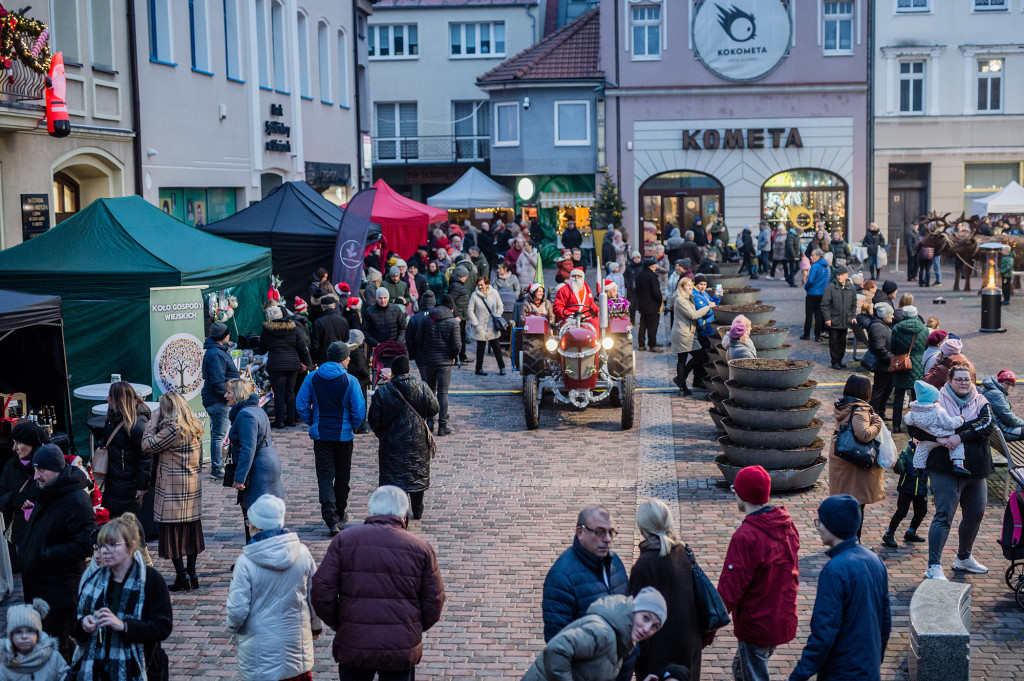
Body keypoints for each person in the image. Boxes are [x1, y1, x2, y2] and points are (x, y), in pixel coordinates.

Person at [311, 485, 445, 681]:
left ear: (371, 509)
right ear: (404, 513)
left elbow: (321, 591)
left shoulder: (344, 541)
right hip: (400, 644)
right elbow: (434, 601)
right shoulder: (421, 548)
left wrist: (341, 622)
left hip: (354, 641)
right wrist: (412, 627)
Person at [788, 496, 891, 681]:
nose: (818, 527)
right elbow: (885, 621)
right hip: (868, 669)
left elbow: (824, 633)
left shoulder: (834, 570)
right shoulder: (875, 561)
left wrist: (797, 676)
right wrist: (875, 661)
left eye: (820, 521)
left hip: (842, 671)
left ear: (833, 525)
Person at [908, 364, 995, 580]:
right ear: (950, 381)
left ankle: (963, 558)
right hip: (944, 468)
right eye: (959, 379)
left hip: (976, 469)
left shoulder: (981, 401)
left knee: (975, 514)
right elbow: (915, 428)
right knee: (944, 515)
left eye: (967, 379)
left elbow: (987, 426)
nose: (964, 383)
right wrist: (939, 437)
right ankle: (933, 566)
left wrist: (958, 435)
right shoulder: (936, 400)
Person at [225, 494, 321, 681]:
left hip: (259, 654)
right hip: (296, 646)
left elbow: (237, 611)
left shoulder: (245, 562)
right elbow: (315, 597)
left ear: (254, 525)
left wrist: (232, 627)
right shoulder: (302, 553)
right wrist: (316, 627)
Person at [718, 466, 800, 681]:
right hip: (780, 616)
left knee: (753, 673)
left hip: (756, 622)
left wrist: (713, 615)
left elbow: (731, 585)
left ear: (741, 495)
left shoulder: (745, 536)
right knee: (741, 668)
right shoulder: (786, 526)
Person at [17, 445, 94, 662]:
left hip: (60, 590)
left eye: (41, 470)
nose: (36, 476)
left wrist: (46, 554)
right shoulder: (48, 492)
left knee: (57, 646)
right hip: (40, 586)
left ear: (57, 469)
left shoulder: (77, 501)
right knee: (48, 642)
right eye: (35, 469)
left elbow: (85, 545)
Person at [73, 514, 173, 681]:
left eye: (113, 545)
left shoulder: (150, 580)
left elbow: (163, 627)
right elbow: (75, 624)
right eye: (102, 545)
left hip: (140, 667)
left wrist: (123, 626)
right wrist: (83, 624)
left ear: (130, 546)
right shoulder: (94, 580)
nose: (105, 551)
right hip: (97, 669)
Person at [297, 341, 366, 536]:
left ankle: (331, 519)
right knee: (343, 476)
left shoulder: (312, 377)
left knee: (325, 477)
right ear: (343, 359)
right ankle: (340, 512)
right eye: (348, 356)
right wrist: (353, 425)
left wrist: (312, 421)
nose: (350, 359)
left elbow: (301, 404)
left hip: (321, 434)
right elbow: (359, 409)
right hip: (343, 435)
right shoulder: (350, 380)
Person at [629, 500, 702, 680]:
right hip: (689, 644)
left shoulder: (644, 565)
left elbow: (636, 616)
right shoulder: (683, 551)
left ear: (642, 530)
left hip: (657, 653)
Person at [523, 590, 665, 681]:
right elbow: (556, 649)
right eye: (645, 618)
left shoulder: (621, 642)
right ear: (633, 610)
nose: (646, 629)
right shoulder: (602, 632)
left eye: (655, 627)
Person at [141, 392, 205, 592]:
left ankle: (181, 576)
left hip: (172, 486)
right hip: (191, 484)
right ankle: (192, 574)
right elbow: (201, 458)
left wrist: (152, 422)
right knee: (191, 531)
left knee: (173, 533)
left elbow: (147, 445)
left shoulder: (173, 429)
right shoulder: (194, 425)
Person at [542, 505, 628, 642]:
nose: (608, 539)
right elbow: (558, 643)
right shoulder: (561, 577)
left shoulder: (615, 562)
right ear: (580, 532)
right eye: (599, 532)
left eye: (611, 532)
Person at [368, 357, 439, 520]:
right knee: (416, 473)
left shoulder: (383, 391)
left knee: (395, 477)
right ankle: (418, 508)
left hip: (391, 440)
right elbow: (434, 408)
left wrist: (382, 434)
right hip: (417, 439)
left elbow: (374, 419)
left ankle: (401, 513)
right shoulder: (421, 386)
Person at [226, 378, 285, 542]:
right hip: (266, 465)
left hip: (259, 470)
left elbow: (248, 449)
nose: (225, 395)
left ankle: (257, 550)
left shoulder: (245, 415)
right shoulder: (256, 410)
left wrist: (239, 478)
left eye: (228, 392)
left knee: (255, 516)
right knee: (264, 514)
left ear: (237, 394)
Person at [829, 375, 885, 539]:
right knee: (856, 506)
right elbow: (864, 434)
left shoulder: (844, 405)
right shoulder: (860, 409)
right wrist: (877, 424)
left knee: (846, 504)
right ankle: (853, 543)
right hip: (855, 463)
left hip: (842, 459)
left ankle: (843, 541)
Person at [409, 294, 460, 435]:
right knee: (443, 393)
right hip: (445, 362)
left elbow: (418, 340)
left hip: (429, 361)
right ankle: (442, 426)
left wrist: (424, 354)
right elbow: (457, 345)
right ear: (451, 308)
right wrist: (453, 357)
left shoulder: (427, 319)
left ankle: (430, 421)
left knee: (430, 391)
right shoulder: (453, 322)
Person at [100, 382, 152, 519]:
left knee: (126, 525)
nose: (107, 399)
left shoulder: (137, 425)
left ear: (119, 399)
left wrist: (142, 486)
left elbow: (145, 459)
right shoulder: (112, 418)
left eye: (110, 396)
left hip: (128, 487)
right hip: (114, 483)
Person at [0, 422, 45, 571]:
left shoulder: (49, 466)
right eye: (14, 443)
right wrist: (13, 498)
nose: (14, 448)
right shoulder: (10, 466)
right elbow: (1, 497)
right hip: (18, 538)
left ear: (32, 444)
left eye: (18, 443)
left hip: (43, 537)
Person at [259, 305, 313, 429]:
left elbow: (262, 349)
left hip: (276, 365)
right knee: (290, 392)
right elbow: (302, 347)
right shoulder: (294, 328)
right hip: (292, 364)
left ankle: (279, 421)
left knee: (278, 393)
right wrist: (307, 363)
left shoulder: (268, 330)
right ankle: (291, 420)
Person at [904, 380, 969, 475]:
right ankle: (958, 464)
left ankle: (918, 468)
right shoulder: (938, 411)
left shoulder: (913, 412)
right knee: (957, 445)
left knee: (921, 448)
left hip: (929, 439)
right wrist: (960, 418)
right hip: (945, 436)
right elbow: (950, 424)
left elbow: (908, 420)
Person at [202, 321, 238, 480]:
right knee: (219, 435)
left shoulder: (217, 351)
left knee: (219, 434)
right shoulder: (215, 354)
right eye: (227, 334)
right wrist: (227, 395)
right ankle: (217, 469)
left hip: (218, 399)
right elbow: (218, 381)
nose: (229, 336)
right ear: (223, 336)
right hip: (218, 400)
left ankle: (219, 467)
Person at [0, 598, 69, 681]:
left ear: (38, 633)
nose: (24, 636)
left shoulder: (53, 658)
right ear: (11, 636)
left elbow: (66, 676)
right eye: (18, 632)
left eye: (30, 631)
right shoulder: (5, 666)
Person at [882, 441, 930, 549]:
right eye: (917, 439)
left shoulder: (927, 453)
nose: (919, 441)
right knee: (901, 512)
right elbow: (899, 470)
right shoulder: (906, 453)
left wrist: (933, 492)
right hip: (906, 489)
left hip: (921, 490)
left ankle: (911, 532)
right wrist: (897, 462)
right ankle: (889, 533)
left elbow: (931, 472)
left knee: (921, 512)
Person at [888, 307, 928, 433]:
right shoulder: (924, 329)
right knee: (916, 398)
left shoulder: (897, 329)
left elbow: (892, 347)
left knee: (898, 397)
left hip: (902, 364)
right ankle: (916, 425)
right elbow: (926, 346)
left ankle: (896, 425)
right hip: (918, 365)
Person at [671, 278, 710, 396]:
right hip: (683, 333)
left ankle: (681, 381)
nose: (690, 287)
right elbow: (693, 315)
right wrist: (708, 307)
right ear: (682, 287)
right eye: (687, 285)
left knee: (693, 357)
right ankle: (682, 384)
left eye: (691, 285)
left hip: (687, 332)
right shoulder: (680, 300)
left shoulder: (687, 297)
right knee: (690, 357)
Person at [467, 275, 507, 376]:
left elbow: (500, 306)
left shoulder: (494, 293)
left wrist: (497, 316)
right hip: (480, 326)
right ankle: (478, 368)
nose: (480, 287)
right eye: (478, 285)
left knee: (496, 347)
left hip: (492, 325)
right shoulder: (474, 295)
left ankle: (502, 367)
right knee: (480, 348)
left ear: (487, 284)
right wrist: (475, 323)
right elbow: (470, 310)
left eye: (482, 285)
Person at [821, 265, 857, 369]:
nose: (839, 277)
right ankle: (835, 361)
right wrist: (827, 318)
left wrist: (853, 316)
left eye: (841, 275)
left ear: (846, 276)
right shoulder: (830, 288)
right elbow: (824, 305)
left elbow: (853, 304)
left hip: (845, 320)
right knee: (834, 342)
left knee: (842, 342)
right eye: (838, 275)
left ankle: (839, 360)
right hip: (834, 320)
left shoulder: (851, 288)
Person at [867, 303, 895, 420]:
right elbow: (879, 348)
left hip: (886, 365)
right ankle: (873, 415)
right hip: (882, 365)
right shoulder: (877, 327)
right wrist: (890, 359)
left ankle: (881, 414)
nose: (893, 316)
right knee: (879, 392)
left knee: (886, 391)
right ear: (885, 315)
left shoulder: (882, 325)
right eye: (891, 314)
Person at [981, 370, 1024, 440]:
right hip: (1002, 431)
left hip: (998, 429)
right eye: (1007, 383)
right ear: (1000, 381)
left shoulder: (991, 389)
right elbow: (1009, 418)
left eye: (1011, 385)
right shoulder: (995, 394)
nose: (1009, 387)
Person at [635, 259, 664, 351]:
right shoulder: (652, 277)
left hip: (642, 305)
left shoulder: (640, 275)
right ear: (651, 267)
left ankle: (641, 345)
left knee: (643, 325)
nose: (656, 267)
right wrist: (660, 300)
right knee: (652, 326)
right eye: (655, 266)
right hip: (652, 305)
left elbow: (637, 291)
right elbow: (656, 292)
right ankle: (652, 345)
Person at [801, 249, 828, 342]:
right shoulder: (827, 267)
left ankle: (807, 334)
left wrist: (806, 286)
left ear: (818, 256)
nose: (811, 257)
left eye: (813, 255)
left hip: (812, 293)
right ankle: (817, 335)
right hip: (822, 293)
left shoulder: (815, 266)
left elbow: (811, 280)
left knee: (809, 315)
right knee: (818, 315)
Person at [405, 290, 435, 376]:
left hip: (420, 354)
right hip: (437, 354)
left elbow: (409, 339)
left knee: (425, 376)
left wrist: (414, 354)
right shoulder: (440, 316)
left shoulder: (414, 318)